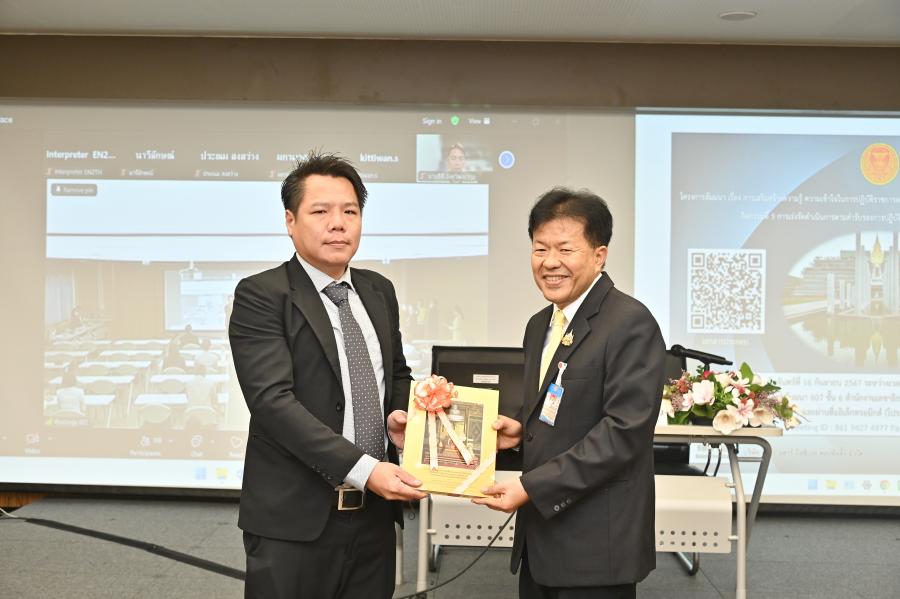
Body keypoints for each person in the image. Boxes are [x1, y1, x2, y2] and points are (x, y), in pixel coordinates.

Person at [228, 151, 425, 599]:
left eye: (350, 212)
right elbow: (272, 403)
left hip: (374, 517)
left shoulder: (378, 290)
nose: (338, 224)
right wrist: (365, 469)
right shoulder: (262, 294)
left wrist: (399, 417)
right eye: (321, 212)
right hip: (295, 522)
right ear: (290, 221)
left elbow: (396, 373)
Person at [473, 187, 666, 599]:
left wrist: (532, 487)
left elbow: (623, 433)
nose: (550, 262)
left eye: (565, 249)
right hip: (541, 538)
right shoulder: (539, 324)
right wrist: (518, 431)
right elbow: (558, 411)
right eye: (540, 249)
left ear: (599, 255)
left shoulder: (630, 322)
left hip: (596, 546)